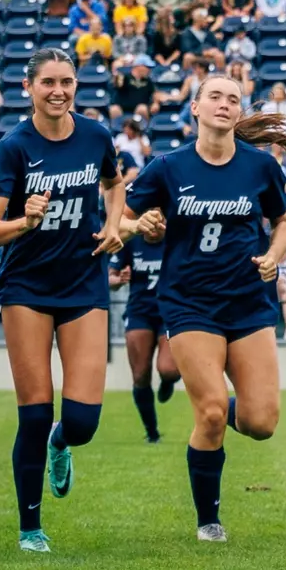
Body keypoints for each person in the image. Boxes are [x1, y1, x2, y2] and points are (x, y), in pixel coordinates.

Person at [123, 75, 286, 543]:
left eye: (233, 99)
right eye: (215, 96)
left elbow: (282, 222)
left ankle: (221, 404)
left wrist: (274, 256)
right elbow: (121, 219)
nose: (224, 104)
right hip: (189, 304)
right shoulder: (167, 167)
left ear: (239, 113)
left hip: (248, 302)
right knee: (213, 415)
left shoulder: (261, 167)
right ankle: (208, 520)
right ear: (195, 107)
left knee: (261, 423)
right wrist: (141, 222)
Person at [0, 48, 124, 552]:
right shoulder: (14, 147)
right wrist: (25, 221)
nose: (58, 91)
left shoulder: (97, 135)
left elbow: (113, 182)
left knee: (80, 422)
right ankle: (30, 527)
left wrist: (110, 223)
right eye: (48, 83)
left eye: (67, 82)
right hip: (27, 287)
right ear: (29, 87)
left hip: (84, 283)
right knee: (34, 413)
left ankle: (64, 443)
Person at [109, 186, 179, 444]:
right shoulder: (131, 239)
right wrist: (117, 280)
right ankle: (151, 432)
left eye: (158, 216)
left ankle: (169, 381)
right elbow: (111, 277)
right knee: (140, 375)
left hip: (171, 310)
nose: (153, 223)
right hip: (140, 310)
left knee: (169, 369)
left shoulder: (176, 239)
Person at [112, 56, 155, 123]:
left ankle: (144, 131)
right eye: (148, 67)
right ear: (139, 66)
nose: (149, 70)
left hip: (139, 111)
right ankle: (115, 131)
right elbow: (118, 84)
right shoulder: (125, 77)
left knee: (142, 108)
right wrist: (116, 78)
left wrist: (156, 103)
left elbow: (155, 93)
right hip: (122, 109)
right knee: (114, 109)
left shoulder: (148, 81)